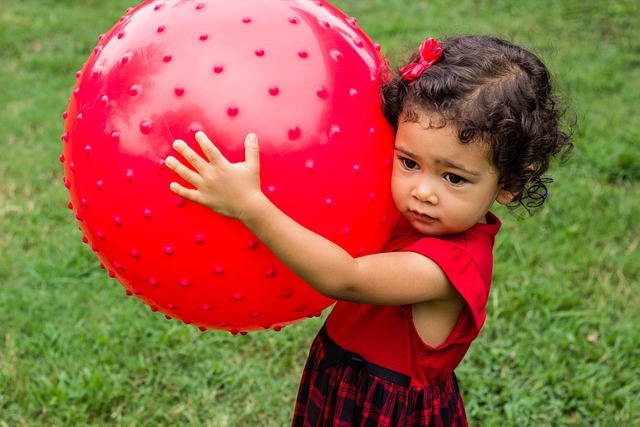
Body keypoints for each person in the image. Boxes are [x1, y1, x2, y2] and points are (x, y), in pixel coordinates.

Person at [164, 35, 573, 426]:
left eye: (454, 178)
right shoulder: (409, 213)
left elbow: (346, 279)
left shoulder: (450, 266)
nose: (422, 192)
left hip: (385, 409)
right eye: (409, 162)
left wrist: (251, 205)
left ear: (509, 184)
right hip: (345, 377)